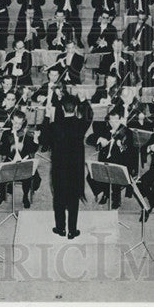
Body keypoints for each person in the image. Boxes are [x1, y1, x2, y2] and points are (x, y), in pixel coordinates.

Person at [50, 96, 90, 239]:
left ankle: (60, 228)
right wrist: (84, 101)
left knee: (59, 199)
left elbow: (44, 141)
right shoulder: (81, 124)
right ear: (75, 109)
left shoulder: (55, 126)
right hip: (75, 169)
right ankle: (72, 231)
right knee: (74, 199)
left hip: (59, 169)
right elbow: (89, 115)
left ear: (62, 109)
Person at [87, 111, 134, 209]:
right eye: (111, 121)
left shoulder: (127, 132)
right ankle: (105, 192)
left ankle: (116, 198)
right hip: (105, 160)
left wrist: (121, 146)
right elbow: (89, 139)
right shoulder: (105, 129)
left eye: (116, 121)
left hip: (120, 162)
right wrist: (99, 139)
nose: (113, 123)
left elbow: (129, 152)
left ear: (120, 120)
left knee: (113, 176)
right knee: (90, 176)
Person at [0, 110, 40, 208]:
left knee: (28, 176)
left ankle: (25, 196)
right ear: (11, 120)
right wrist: (11, 147)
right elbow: (1, 150)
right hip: (10, 160)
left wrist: (35, 139)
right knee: (1, 174)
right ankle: (2, 195)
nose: (17, 125)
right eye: (15, 122)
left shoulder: (26, 134)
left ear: (23, 122)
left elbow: (33, 149)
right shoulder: (6, 133)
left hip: (24, 160)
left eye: (19, 123)